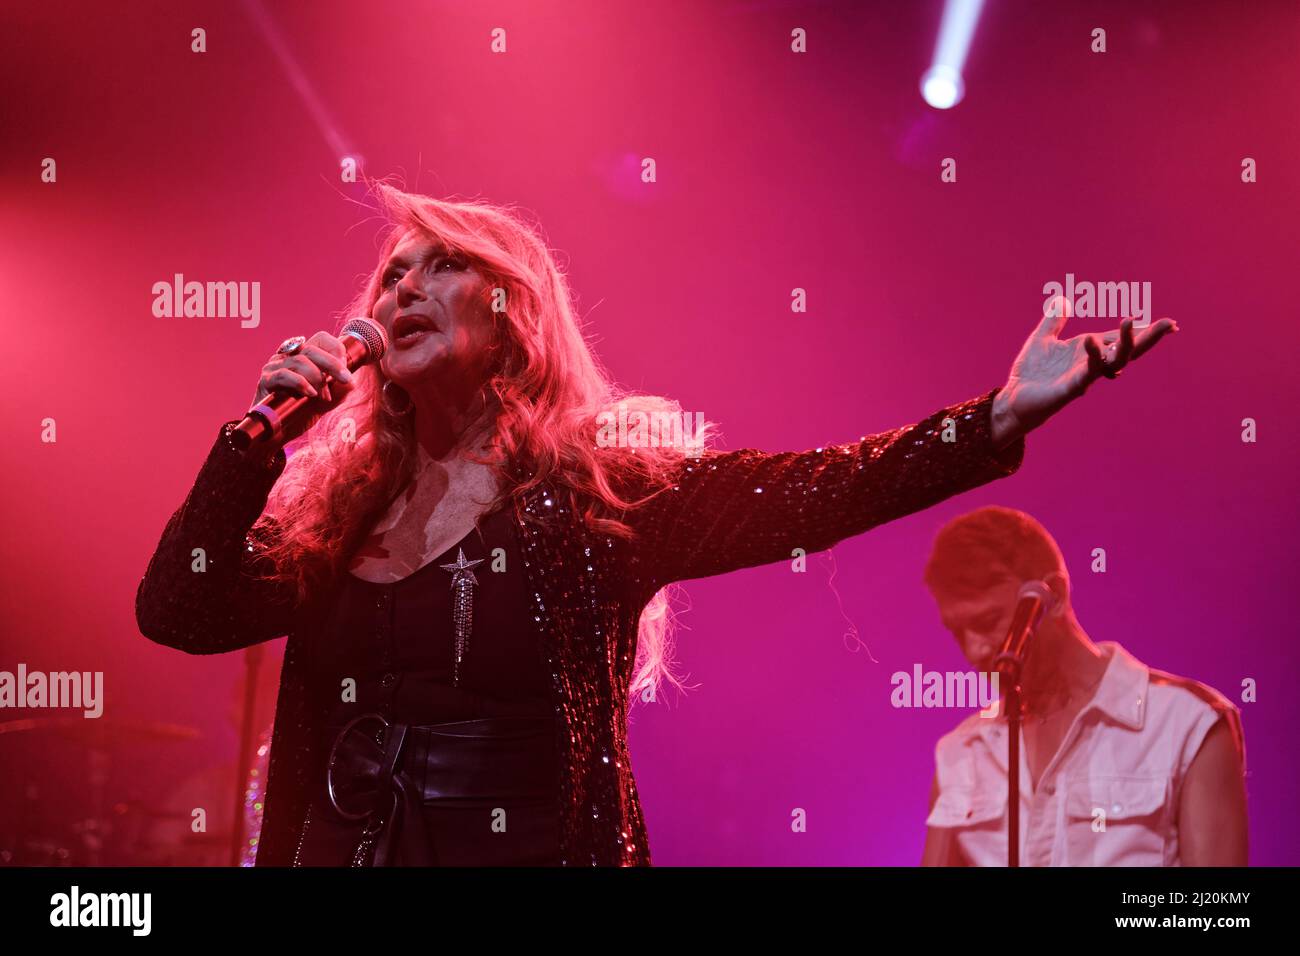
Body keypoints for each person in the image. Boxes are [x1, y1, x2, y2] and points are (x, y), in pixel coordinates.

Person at [135, 182, 1176, 867]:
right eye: (390, 274)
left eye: (439, 265)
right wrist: (250, 446)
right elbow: (176, 609)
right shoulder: (333, 507)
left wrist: (990, 418)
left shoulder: (596, 496)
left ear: (513, 311)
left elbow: (818, 488)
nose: (402, 287)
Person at [919, 506, 1247, 866]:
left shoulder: (1186, 723)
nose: (973, 649)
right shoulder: (961, 751)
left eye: (988, 621)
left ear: (1054, 597)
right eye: (956, 632)